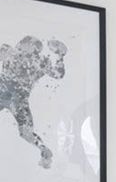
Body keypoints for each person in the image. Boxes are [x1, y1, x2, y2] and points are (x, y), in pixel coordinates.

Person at [0, 35, 67, 169]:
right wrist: (60, 54)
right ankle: (43, 149)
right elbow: (58, 74)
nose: (22, 47)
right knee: (26, 132)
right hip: (13, 97)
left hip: (16, 99)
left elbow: (58, 74)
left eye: (26, 45)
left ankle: (43, 150)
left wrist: (60, 55)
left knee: (26, 133)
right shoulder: (11, 52)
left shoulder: (38, 60)